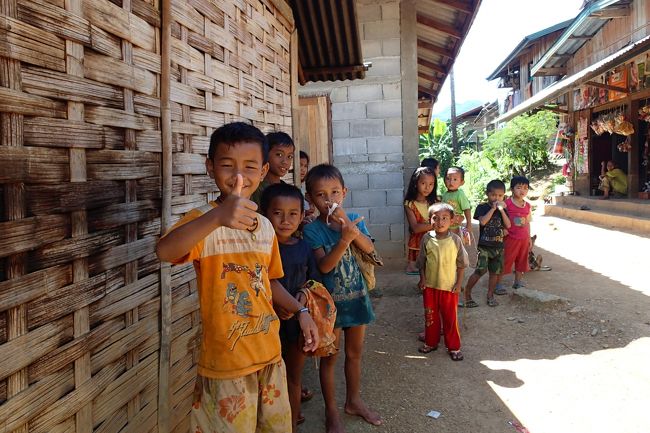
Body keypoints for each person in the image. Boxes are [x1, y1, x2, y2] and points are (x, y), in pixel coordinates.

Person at [156, 122, 319, 433]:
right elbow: (164, 251)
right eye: (227, 166)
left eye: (250, 167)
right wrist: (217, 217)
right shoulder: (203, 223)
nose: (239, 177)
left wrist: (302, 312)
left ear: (264, 170)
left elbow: (269, 282)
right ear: (210, 167)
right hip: (225, 367)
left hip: (270, 357)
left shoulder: (266, 227)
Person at [302, 163, 382, 433]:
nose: (329, 200)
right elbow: (324, 266)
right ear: (309, 198)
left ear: (344, 193)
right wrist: (344, 240)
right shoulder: (313, 231)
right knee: (330, 358)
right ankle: (332, 411)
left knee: (355, 354)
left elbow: (370, 249)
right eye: (321, 195)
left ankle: (354, 401)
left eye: (335, 192)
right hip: (331, 309)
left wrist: (348, 228)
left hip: (358, 300)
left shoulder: (356, 218)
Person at [260, 183, 321, 432]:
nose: (286, 220)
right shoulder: (260, 247)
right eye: (277, 213)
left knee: (293, 378)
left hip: (297, 323)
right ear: (265, 214)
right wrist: (278, 303)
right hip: (265, 323)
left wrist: (300, 301)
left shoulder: (305, 248)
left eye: (293, 213)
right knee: (267, 380)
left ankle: (292, 423)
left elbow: (314, 281)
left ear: (302, 214)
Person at [416, 203, 469, 359]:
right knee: (430, 316)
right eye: (435, 218)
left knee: (450, 318)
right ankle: (431, 343)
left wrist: (459, 284)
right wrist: (422, 280)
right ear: (430, 220)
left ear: (452, 220)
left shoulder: (456, 240)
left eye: (444, 218)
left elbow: (461, 265)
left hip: (449, 287)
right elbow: (422, 262)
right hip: (430, 286)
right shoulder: (426, 238)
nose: (440, 222)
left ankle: (453, 347)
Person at [461, 180, 511, 308]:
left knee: (494, 272)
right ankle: (467, 292)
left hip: (498, 247)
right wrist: (493, 209)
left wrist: (502, 211)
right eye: (493, 195)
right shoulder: (482, 207)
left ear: (504, 196)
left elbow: (509, 225)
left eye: (500, 196)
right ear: (487, 194)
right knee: (480, 270)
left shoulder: (504, 209)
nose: (496, 198)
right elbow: (483, 222)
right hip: (484, 246)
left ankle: (490, 295)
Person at [497, 176, 532, 291]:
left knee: (522, 261)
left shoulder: (528, 206)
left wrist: (529, 239)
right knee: (506, 260)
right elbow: (499, 219)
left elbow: (527, 222)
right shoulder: (506, 204)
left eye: (525, 188)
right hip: (510, 239)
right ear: (512, 189)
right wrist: (502, 230)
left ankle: (517, 282)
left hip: (524, 239)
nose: (522, 191)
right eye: (519, 187)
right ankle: (498, 284)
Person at [404, 167, 437, 275]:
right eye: (423, 183)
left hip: (434, 241)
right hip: (419, 241)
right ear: (415, 183)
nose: (427, 187)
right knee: (422, 268)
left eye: (431, 184)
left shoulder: (436, 201)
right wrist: (435, 225)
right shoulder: (409, 204)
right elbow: (415, 228)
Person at [250, 131, 295, 206]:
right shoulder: (256, 188)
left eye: (289, 157)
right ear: (265, 154)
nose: (285, 162)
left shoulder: (285, 189)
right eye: (279, 154)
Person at [441, 166, 472, 243]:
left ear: (462, 182)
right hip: (445, 225)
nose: (451, 182)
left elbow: (466, 209)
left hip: (455, 225)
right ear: (444, 180)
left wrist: (469, 224)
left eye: (455, 179)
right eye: (448, 179)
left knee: (455, 244)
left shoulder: (460, 194)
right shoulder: (444, 195)